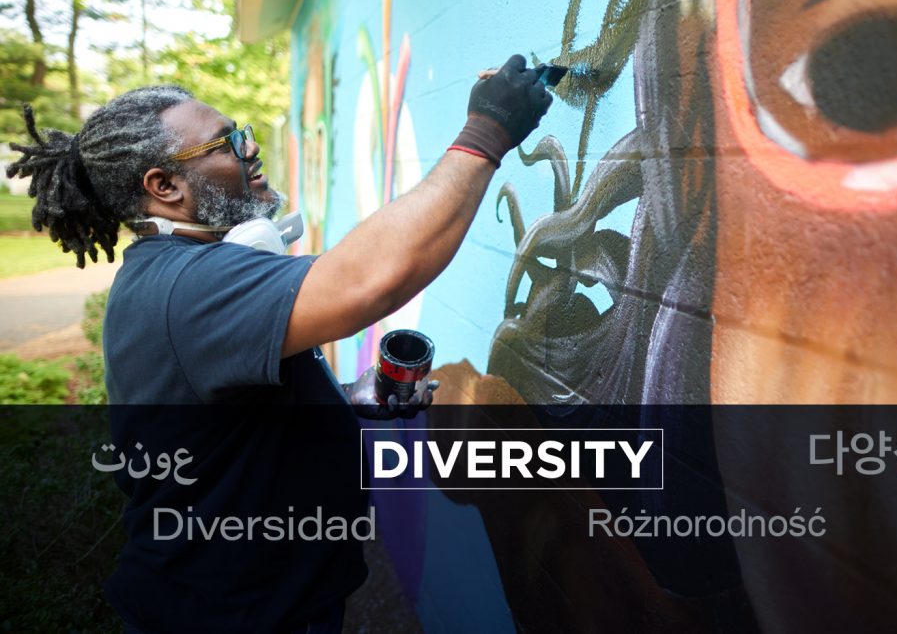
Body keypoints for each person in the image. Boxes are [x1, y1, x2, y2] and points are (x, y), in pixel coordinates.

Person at [5, 53, 552, 633]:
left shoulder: (180, 271)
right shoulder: (187, 289)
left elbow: (223, 419)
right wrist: (486, 131)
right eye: (227, 142)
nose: (250, 147)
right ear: (164, 187)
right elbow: (370, 280)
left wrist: (342, 397)